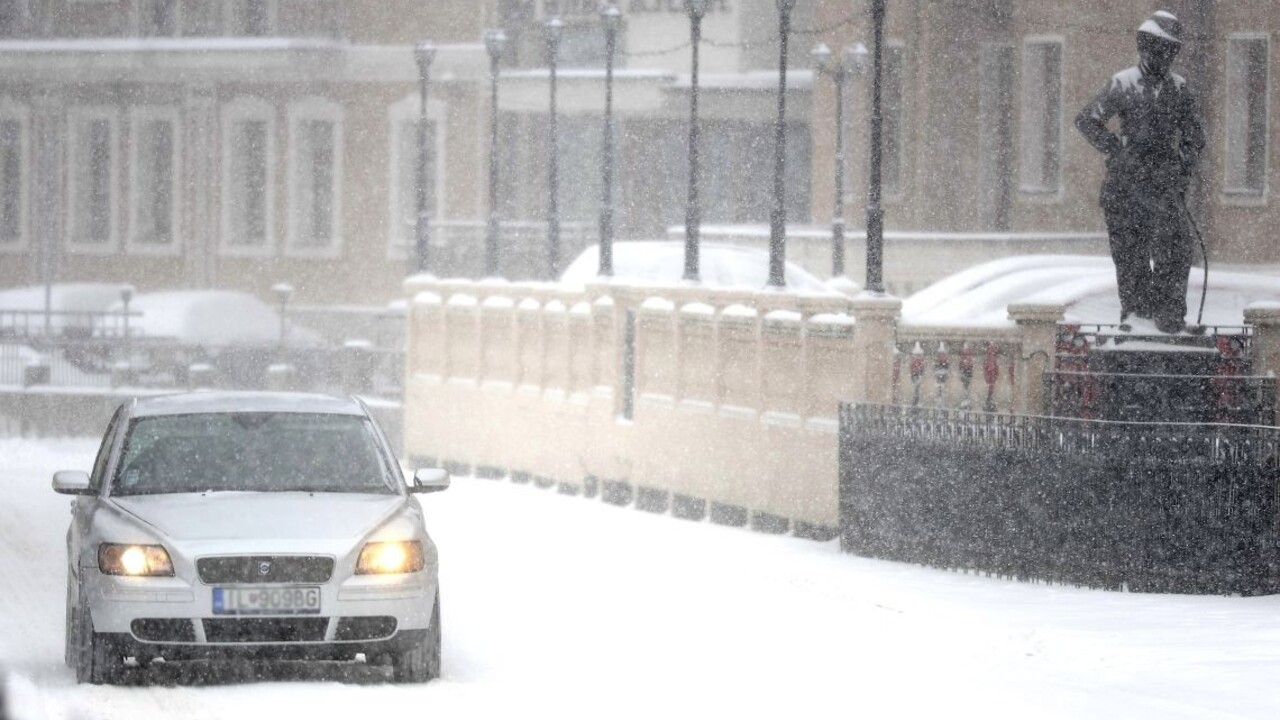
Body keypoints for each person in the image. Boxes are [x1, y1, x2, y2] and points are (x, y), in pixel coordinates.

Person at [1075, 10, 1205, 334]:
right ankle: (1137, 314)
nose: (1165, 57)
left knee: (1177, 245)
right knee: (1132, 253)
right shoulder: (1124, 84)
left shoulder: (1179, 89)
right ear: (1146, 48)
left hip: (1162, 184)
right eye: (1160, 49)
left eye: (1171, 50)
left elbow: (1195, 137)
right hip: (1127, 185)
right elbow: (1087, 119)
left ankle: (1170, 315)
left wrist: (1180, 169)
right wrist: (1118, 149)